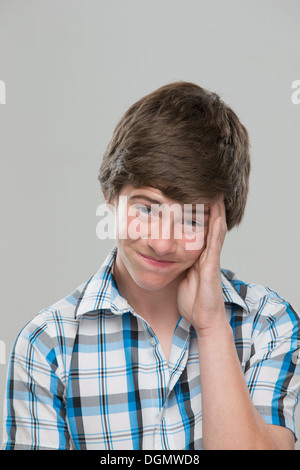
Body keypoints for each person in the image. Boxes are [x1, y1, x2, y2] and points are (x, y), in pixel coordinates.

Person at [2, 81, 300, 450]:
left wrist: (211, 329)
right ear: (110, 197)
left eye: (191, 219)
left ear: (221, 224)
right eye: (145, 208)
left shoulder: (267, 324)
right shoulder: (47, 345)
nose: (161, 242)